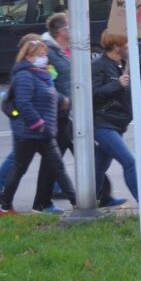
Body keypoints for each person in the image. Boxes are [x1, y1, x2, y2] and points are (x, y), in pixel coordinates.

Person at [34, 13, 122, 213]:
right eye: (71, 27)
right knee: (53, 159)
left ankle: (102, 195)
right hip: (58, 114)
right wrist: (61, 100)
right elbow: (44, 81)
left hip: (74, 114)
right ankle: (41, 202)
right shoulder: (48, 52)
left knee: (88, 155)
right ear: (62, 32)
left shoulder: (69, 50)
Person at [1, 37, 76, 215]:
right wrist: (38, 123)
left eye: (44, 55)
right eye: (39, 55)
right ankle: (4, 206)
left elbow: (47, 95)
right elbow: (24, 103)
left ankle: (77, 203)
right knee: (19, 169)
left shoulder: (42, 74)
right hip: (29, 133)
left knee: (57, 167)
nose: (43, 58)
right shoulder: (24, 75)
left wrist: (63, 101)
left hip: (44, 133)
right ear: (28, 56)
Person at [92, 31, 141, 219]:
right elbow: (93, 94)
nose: (130, 48)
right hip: (103, 124)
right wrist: (117, 85)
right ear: (116, 47)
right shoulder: (99, 66)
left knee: (98, 168)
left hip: (115, 123)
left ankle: (88, 205)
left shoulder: (118, 65)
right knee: (129, 162)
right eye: (127, 45)